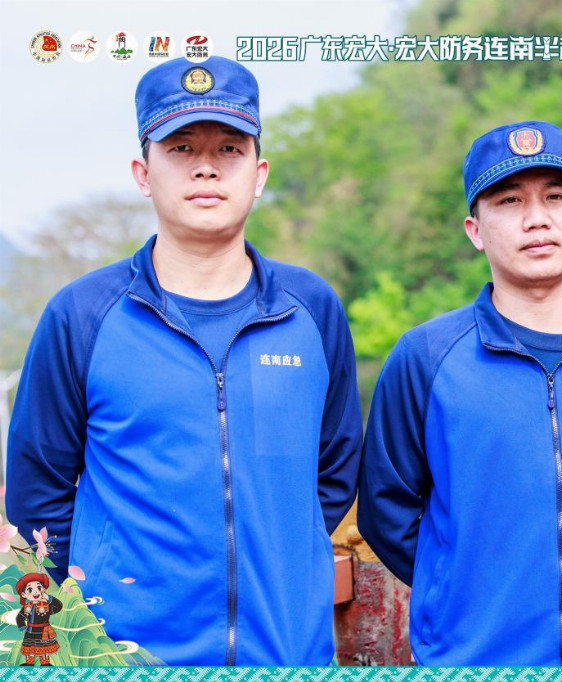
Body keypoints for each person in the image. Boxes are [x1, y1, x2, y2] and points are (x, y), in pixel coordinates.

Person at [6, 56, 362, 666]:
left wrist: (281, 559)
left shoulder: (310, 309)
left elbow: (333, 470)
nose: (205, 166)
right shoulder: (83, 315)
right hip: (125, 658)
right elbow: (38, 493)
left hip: (287, 654)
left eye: (229, 148)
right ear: (143, 173)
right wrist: (93, 617)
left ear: (259, 173)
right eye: (180, 147)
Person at [358, 121, 562, 665]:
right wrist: (464, 588)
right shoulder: (426, 357)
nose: (537, 219)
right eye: (509, 201)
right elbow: (386, 509)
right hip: (474, 659)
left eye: (555, 197)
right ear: (475, 229)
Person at [16, 573, 63, 666]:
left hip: (43, 631)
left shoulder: (46, 605)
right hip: (30, 632)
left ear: (44, 590)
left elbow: (58, 607)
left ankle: (45, 664)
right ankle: (29, 663)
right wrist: (22, 628)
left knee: (44, 649)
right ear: (23, 594)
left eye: (39, 588)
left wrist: (49, 598)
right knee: (30, 649)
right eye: (30, 589)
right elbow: (19, 617)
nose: (35, 592)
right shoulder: (26, 607)